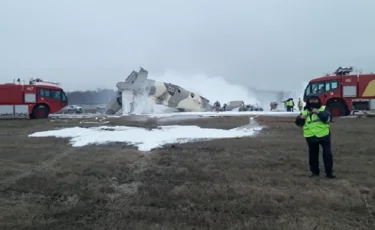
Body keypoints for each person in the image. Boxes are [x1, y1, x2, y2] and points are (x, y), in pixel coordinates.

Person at [295, 94, 336, 178]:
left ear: (318, 100)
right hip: (311, 136)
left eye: (315, 100)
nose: (313, 102)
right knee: (313, 155)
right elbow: (298, 123)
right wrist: (300, 118)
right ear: (308, 101)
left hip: (324, 135)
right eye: (311, 100)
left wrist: (318, 112)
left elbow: (328, 119)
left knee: (327, 154)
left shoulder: (324, 109)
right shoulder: (304, 111)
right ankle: (314, 172)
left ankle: (329, 173)